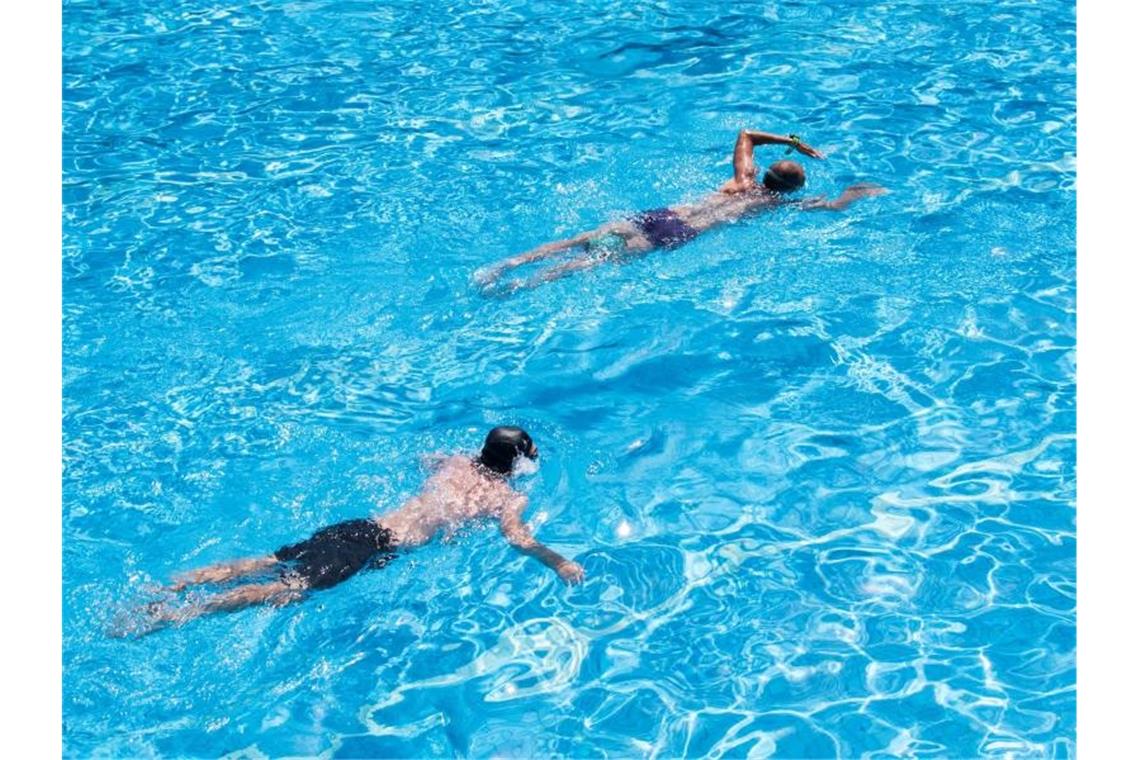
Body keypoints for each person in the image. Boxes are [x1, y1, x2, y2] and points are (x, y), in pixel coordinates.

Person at [125, 427, 583, 635]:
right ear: (519, 462)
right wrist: (559, 561)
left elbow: (424, 459)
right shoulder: (504, 498)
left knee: (273, 561)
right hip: (378, 547)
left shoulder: (456, 461)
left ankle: (177, 584)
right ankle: (176, 615)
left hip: (362, 525)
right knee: (290, 588)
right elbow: (519, 539)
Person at [476, 129, 887, 293]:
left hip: (658, 215)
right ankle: (519, 288)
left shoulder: (742, 180)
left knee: (579, 241)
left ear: (767, 171)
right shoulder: (776, 204)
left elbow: (746, 135)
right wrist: (856, 193)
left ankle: (506, 265)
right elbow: (831, 207)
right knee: (591, 263)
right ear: (794, 187)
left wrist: (793, 141)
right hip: (673, 236)